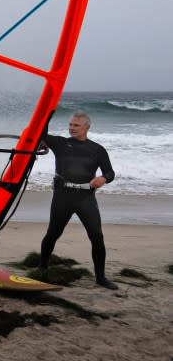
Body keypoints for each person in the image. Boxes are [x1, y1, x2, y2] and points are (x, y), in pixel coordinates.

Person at [39, 110, 117, 289]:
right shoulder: (61, 143)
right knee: (53, 234)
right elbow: (41, 134)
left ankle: (101, 277)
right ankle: (42, 268)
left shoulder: (97, 149)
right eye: (70, 125)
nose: (71, 128)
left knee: (97, 236)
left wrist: (103, 179)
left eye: (76, 125)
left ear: (86, 127)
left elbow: (110, 172)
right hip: (62, 196)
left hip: (85, 198)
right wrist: (48, 113)